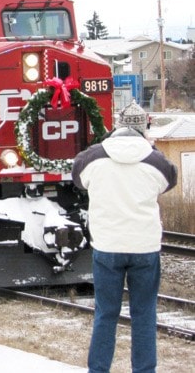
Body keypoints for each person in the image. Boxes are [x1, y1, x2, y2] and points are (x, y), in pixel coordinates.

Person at [72, 100, 177, 373]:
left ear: (116, 127)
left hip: (108, 246)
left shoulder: (92, 156)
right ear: (144, 130)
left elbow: (78, 179)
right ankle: (144, 370)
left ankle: (99, 369)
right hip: (145, 247)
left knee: (106, 313)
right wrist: (150, 148)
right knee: (144, 315)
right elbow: (170, 179)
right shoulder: (155, 160)